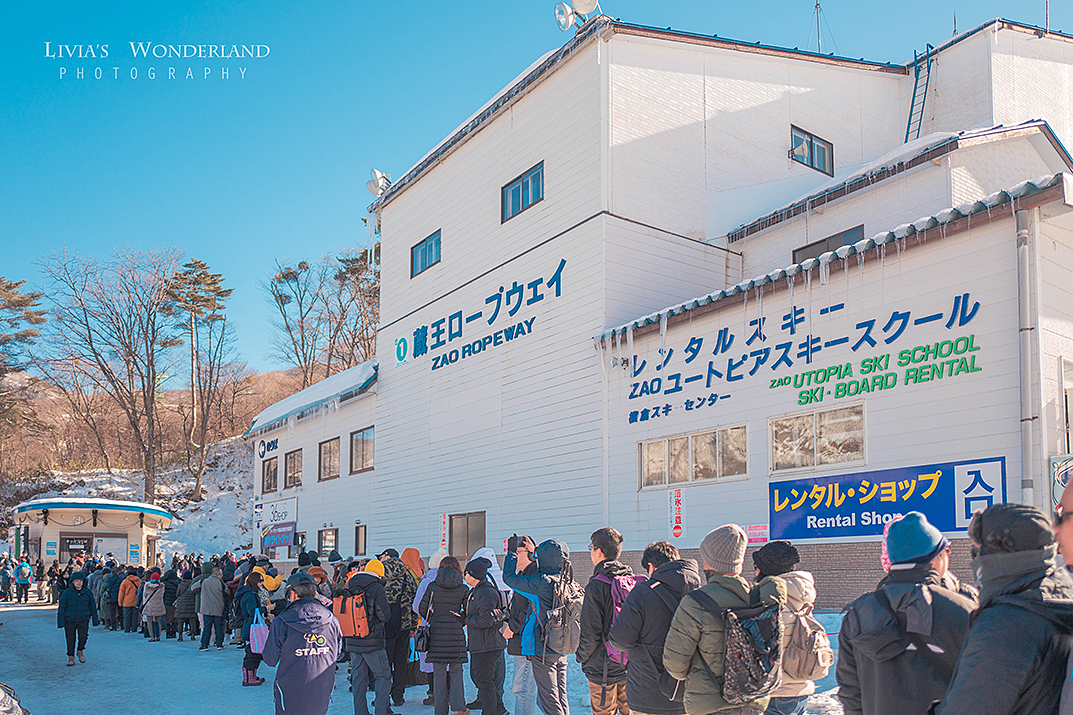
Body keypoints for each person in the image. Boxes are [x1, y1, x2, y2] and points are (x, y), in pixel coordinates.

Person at [934, 503, 1073, 715]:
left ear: (997, 556)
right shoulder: (1058, 597)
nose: (975, 559)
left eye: (977, 551)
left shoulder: (1005, 625)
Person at [837, 512, 976, 715]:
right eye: (946, 551)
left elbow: (850, 692)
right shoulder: (962, 609)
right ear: (934, 559)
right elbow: (983, 686)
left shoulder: (858, 614)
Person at [663, 524, 787, 715]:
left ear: (708, 560)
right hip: (753, 701)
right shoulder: (759, 598)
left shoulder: (695, 602)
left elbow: (676, 665)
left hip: (710, 705)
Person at [609, 541, 702, 715]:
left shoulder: (643, 593)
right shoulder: (700, 592)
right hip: (692, 692)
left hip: (648, 693)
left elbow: (619, 641)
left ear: (651, 567)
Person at [503, 537, 577, 715]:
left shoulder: (541, 582)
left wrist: (511, 551)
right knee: (560, 696)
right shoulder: (566, 581)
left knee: (549, 701)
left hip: (542, 648)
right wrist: (535, 550)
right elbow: (554, 557)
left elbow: (508, 577)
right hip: (561, 646)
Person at [752, 541, 820, 715]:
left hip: (776, 692)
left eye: (757, 567)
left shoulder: (768, 600)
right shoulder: (802, 596)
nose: (755, 571)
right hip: (802, 689)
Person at [262, 572, 342, 715]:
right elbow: (336, 652)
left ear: (292, 594)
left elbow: (270, 658)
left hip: (290, 689)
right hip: (322, 687)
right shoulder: (332, 619)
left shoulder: (281, 621)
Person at [579, 528, 634, 715]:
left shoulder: (596, 586)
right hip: (628, 664)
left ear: (599, 551)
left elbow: (590, 633)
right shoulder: (630, 580)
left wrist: (582, 658)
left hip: (602, 669)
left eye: (591, 548)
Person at [420, 555, 470, 715]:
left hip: (436, 634)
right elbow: (468, 611)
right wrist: (460, 620)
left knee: (439, 675)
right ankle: (459, 708)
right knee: (456, 672)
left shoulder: (433, 586)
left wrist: (432, 619)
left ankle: (440, 711)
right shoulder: (463, 588)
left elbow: (422, 608)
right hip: (455, 634)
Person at [345, 558, 392, 715]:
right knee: (383, 676)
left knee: (358, 678)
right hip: (372, 642)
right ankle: (381, 711)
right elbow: (384, 615)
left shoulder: (350, 583)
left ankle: (360, 712)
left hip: (352, 639)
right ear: (379, 574)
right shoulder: (377, 588)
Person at [465, 557, 508, 715]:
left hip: (487, 644)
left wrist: (465, 619)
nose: (465, 576)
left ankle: (491, 711)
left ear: (472, 574)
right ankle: (499, 709)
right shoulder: (477, 591)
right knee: (481, 679)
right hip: (482, 643)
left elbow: (486, 619)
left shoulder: (485, 591)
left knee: (484, 681)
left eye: (466, 573)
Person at [380, 548, 420, 707]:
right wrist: (413, 625)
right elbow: (414, 603)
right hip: (404, 626)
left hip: (385, 626)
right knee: (401, 662)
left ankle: (383, 696)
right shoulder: (408, 576)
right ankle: (398, 696)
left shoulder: (381, 576)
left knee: (384, 663)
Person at [504, 538, 539, 715]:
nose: (513, 557)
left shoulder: (532, 574)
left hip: (527, 640)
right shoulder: (524, 574)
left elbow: (529, 609)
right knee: (528, 690)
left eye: (517, 552)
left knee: (523, 690)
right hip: (524, 639)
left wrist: (512, 626)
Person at [57, 570, 98, 666]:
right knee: (70, 638)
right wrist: (60, 621)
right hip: (70, 619)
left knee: (83, 636)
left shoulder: (88, 592)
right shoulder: (67, 593)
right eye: (76, 581)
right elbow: (62, 607)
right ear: (72, 582)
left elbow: (92, 606)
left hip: (83, 618)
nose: (78, 583)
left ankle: (80, 650)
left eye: (80, 581)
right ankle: (71, 656)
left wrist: (95, 619)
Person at [237, 570, 271, 685]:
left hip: (253, 627)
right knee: (251, 654)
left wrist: (266, 614)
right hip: (250, 628)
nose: (262, 583)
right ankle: (248, 678)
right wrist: (267, 609)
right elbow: (252, 611)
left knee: (256, 653)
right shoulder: (249, 595)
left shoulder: (253, 593)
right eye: (260, 581)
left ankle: (253, 676)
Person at [142, 571, 167, 641]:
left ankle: (152, 636)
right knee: (158, 621)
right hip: (159, 605)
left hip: (149, 606)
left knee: (149, 621)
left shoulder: (147, 586)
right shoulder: (162, 586)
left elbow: (145, 595)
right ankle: (158, 636)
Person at [175, 569, 197, 641]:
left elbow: (177, 594)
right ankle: (193, 635)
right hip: (191, 603)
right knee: (192, 620)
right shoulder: (193, 584)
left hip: (182, 604)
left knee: (180, 620)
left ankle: (180, 636)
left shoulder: (180, 585)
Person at [118, 567, 141, 633]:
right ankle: (134, 628)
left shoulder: (125, 581)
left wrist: (120, 602)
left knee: (127, 617)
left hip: (126, 602)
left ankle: (127, 629)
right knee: (135, 617)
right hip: (136, 601)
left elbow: (121, 593)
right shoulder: (138, 581)